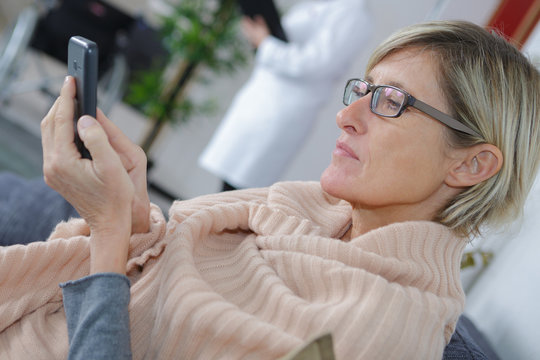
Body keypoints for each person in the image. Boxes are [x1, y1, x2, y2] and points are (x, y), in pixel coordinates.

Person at [0, 19, 539, 359]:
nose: (345, 115)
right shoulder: (290, 208)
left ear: (471, 164)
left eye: (390, 101)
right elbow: (156, 280)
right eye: (362, 90)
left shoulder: (376, 331)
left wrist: (111, 232)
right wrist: (135, 215)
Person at [199, 0, 372, 191]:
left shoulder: (351, 15)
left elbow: (314, 65)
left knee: (235, 190)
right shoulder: (320, 5)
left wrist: (265, 43)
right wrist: (262, 36)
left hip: (281, 110)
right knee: (227, 182)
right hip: (262, 98)